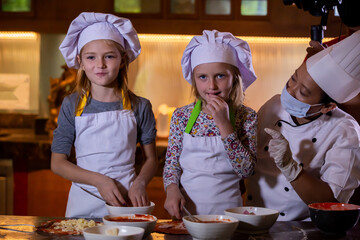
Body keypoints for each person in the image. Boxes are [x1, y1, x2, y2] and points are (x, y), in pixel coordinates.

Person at [51, 12, 158, 218]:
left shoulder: (140, 106)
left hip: (125, 202)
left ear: (122, 60)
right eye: (91, 57)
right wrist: (100, 180)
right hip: (83, 201)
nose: (100, 65)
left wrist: (140, 183)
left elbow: (151, 159)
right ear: (80, 61)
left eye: (109, 56)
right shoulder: (71, 105)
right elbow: (57, 163)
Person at [246, 30, 360, 221]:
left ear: (327, 106)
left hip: (299, 230)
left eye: (303, 93)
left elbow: (331, 202)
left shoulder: (345, 131)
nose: (290, 93)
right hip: (250, 219)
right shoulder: (274, 104)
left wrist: (290, 167)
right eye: (292, 80)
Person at [163, 30, 257, 219]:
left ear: (235, 77)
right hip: (188, 214)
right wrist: (172, 189)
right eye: (203, 77)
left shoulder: (246, 117)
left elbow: (247, 170)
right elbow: (172, 165)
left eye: (220, 76)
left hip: (230, 216)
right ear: (194, 79)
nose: (212, 86)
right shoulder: (182, 116)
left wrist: (225, 125)